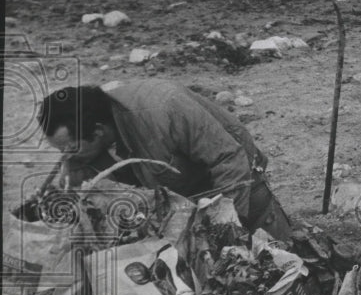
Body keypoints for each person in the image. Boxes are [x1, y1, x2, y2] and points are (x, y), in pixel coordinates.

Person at [37, 79, 293, 238]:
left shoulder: (165, 108)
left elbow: (229, 158)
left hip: (237, 177)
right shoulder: (87, 138)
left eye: (70, 149)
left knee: (279, 260)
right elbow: (80, 197)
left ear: (98, 131)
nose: (66, 158)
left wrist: (227, 229)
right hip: (177, 198)